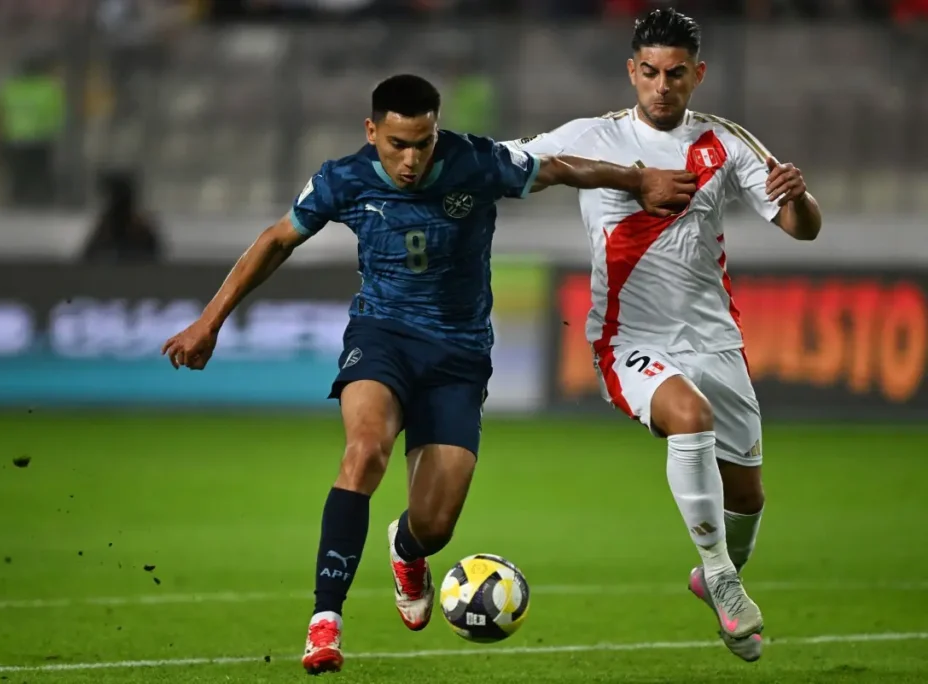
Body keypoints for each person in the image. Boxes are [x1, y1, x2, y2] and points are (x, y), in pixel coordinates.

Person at [161, 73, 696, 675]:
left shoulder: (476, 162)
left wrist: (637, 180)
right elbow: (276, 239)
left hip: (458, 357)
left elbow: (559, 169)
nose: (411, 159)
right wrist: (209, 321)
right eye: (398, 145)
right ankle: (325, 621)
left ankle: (407, 548)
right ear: (372, 132)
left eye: (423, 143)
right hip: (382, 338)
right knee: (365, 452)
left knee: (435, 527)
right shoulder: (344, 178)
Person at [506, 8, 822, 663]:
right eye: (649, 72)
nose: (661, 85)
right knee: (689, 416)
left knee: (748, 498)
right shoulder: (594, 135)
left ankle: (716, 572)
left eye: (676, 73)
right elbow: (508, 163)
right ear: (631, 71)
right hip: (628, 339)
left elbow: (802, 227)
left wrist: (799, 196)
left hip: (715, 339)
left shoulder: (724, 142)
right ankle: (723, 576)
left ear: (698, 75)